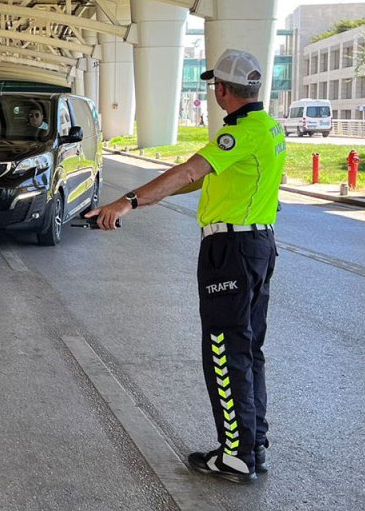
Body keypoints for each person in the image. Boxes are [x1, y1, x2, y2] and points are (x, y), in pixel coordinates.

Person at [85, 49, 285, 485]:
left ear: (222, 90)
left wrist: (128, 202)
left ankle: (235, 455)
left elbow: (188, 169)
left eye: (216, 84)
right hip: (257, 244)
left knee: (224, 349)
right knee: (249, 349)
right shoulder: (268, 127)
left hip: (230, 249)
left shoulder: (240, 134)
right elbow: (198, 179)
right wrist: (143, 201)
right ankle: (253, 445)